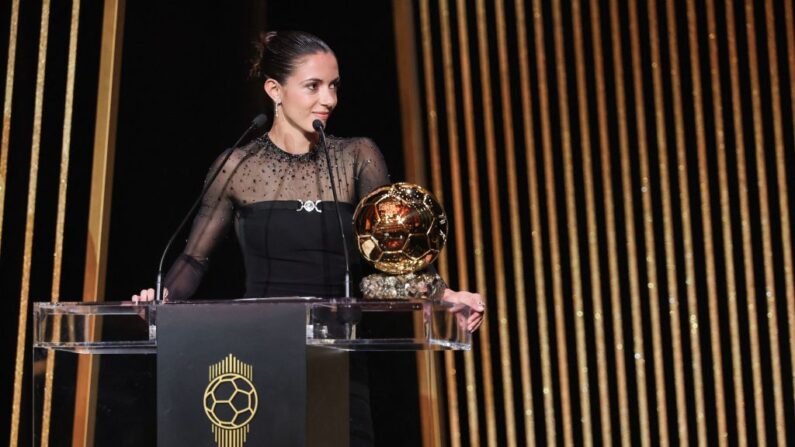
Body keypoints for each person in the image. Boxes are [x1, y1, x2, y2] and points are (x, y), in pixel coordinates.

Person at [133, 30, 484, 445]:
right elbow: (194, 259)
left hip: (338, 359)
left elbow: (391, 258)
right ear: (274, 90)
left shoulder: (356, 157)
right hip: (258, 359)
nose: (329, 100)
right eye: (313, 86)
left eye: (333, 86)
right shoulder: (237, 166)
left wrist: (445, 295)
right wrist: (161, 298)